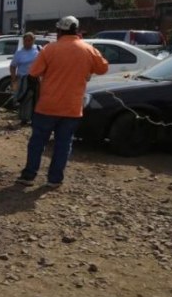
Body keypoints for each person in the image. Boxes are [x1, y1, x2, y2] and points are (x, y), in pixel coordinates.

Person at [16, 16, 108, 188]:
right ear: (77, 31)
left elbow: (34, 73)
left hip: (47, 107)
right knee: (63, 145)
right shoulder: (88, 49)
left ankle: (29, 176)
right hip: (71, 108)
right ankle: (54, 179)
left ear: (59, 31)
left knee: (37, 142)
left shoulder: (50, 49)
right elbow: (103, 68)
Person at [10, 32, 41, 125]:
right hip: (23, 79)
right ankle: (24, 117)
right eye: (25, 40)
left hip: (35, 79)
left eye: (29, 40)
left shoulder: (38, 50)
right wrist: (13, 78)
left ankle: (34, 117)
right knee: (24, 98)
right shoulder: (19, 53)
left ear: (33, 41)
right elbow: (13, 66)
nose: (27, 42)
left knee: (35, 98)